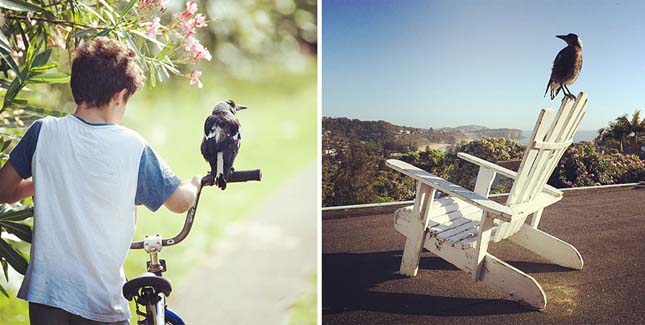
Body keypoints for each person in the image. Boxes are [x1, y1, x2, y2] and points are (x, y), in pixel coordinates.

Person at [0, 37, 201, 324]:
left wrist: (48, 179)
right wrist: (194, 184)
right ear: (119, 96)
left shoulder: (43, 132)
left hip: (46, 298)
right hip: (100, 303)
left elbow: (4, 190)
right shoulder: (132, 146)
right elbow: (180, 203)